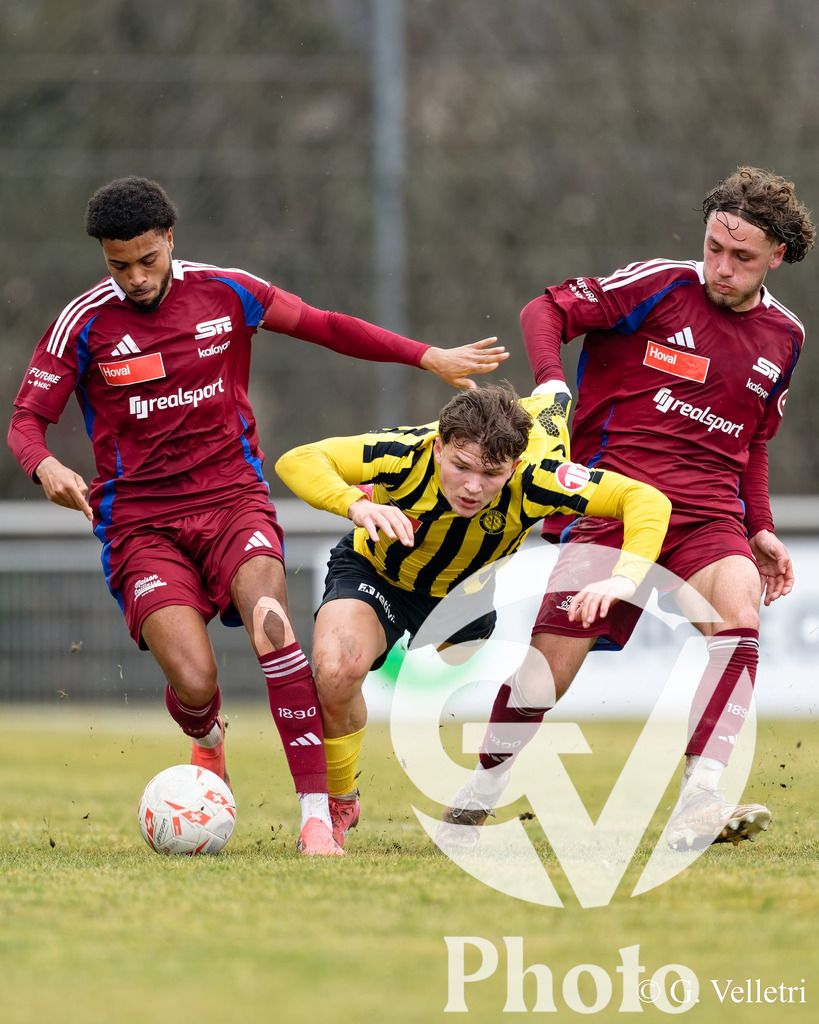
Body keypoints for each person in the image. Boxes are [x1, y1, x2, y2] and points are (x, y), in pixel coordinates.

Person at [6, 175, 508, 857]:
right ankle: (207, 739)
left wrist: (425, 355)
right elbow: (26, 422)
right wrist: (46, 467)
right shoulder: (85, 322)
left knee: (275, 631)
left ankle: (315, 818)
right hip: (141, 524)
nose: (134, 278)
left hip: (231, 500)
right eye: (118, 265)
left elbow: (327, 326)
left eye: (147, 260)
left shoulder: (227, 290)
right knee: (195, 681)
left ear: (170, 241)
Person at [443, 166, 815, 852]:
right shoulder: (657, 286)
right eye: (712, 247)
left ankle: (701, 798)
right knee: (545, 669)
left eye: (740, 257)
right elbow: (542, 311)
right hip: (613, 507)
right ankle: (482, 790)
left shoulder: (783, 337)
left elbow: (753, 442)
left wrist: (757, 525)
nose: (720, 267)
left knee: (737, 622)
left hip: (707, 518)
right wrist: (552, 384)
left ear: (776, 258)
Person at [275, 381, 672, 848]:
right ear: (439, 447)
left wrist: (625, 576)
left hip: (463, 601)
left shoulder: (538, 477)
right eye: (460, 467)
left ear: (515, 466)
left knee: (456, 658)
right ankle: (340, 802)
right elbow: (296, 460)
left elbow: (646, 500)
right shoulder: (403, 452)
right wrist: (355, 504)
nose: (472, 486)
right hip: (376, 570)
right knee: (337, 669)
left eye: (491, 475)